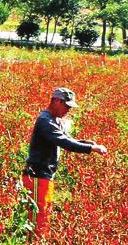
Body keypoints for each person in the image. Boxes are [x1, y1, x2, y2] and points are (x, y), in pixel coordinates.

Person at [22, 86, 107, 235]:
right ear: (56, 101)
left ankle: (38, 243)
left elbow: (67, 139)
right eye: (67, 106)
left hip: (45, 176)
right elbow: (64, 142)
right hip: (36, 176)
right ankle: (31, 244)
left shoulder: (55, 120)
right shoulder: (45, 121)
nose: (69, 110)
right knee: (36, 217)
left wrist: (86, 143)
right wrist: (91, 148)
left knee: (44, 214)